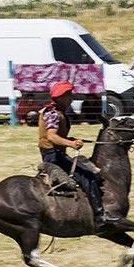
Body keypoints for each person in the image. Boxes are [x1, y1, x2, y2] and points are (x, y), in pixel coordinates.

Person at [38, 80, 114, 226]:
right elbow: (51, 136)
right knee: (87, 177)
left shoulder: (56, 112)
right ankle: (99, 216)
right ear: (61, 97)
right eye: (69, 95)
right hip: (53, 156)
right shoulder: (53, 113)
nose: (72, 98)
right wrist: (71, 144)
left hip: (56, 153)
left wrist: (69, 139)